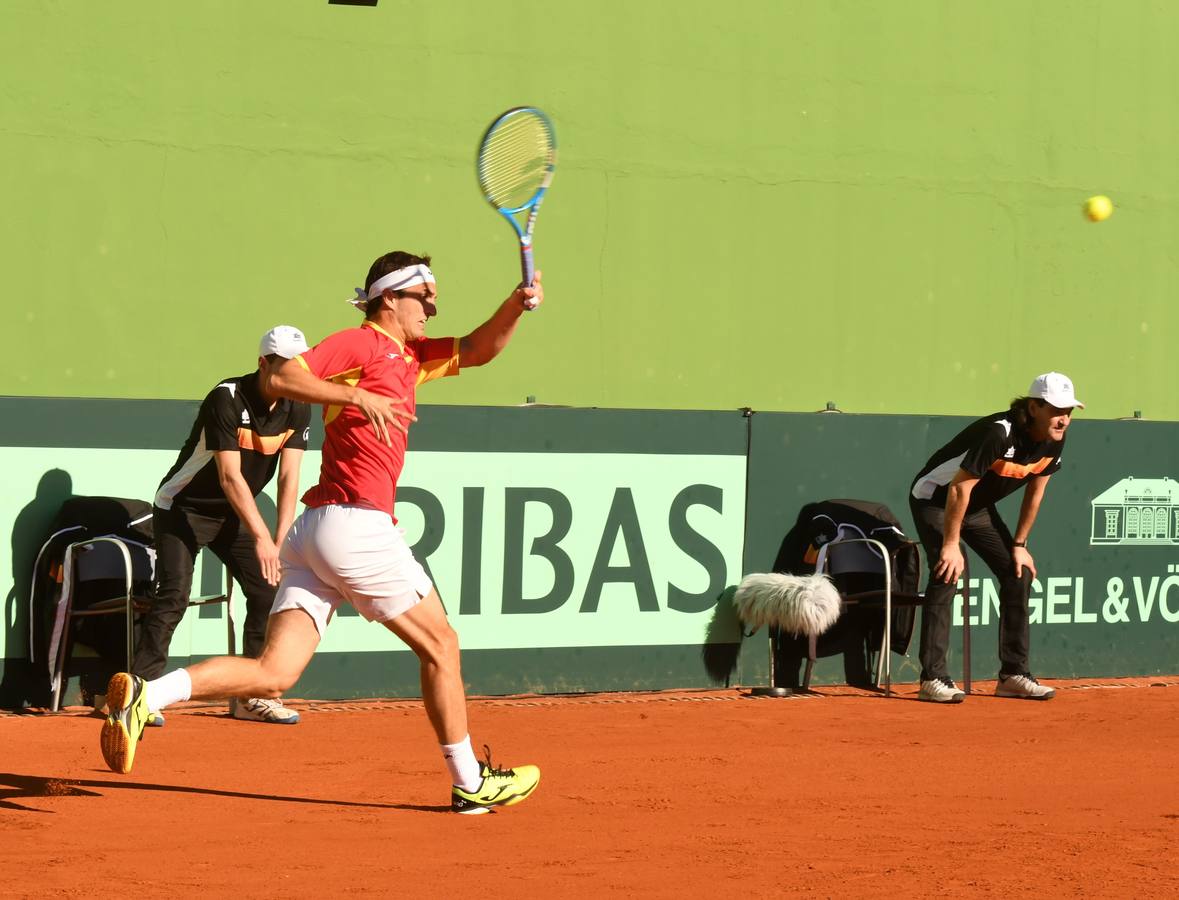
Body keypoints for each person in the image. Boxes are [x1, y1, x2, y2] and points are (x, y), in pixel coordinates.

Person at [101, 251, 541, 814]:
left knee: (272, 673)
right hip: (356, 525)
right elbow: (285, 373)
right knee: (442, 645)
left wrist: (516, 304)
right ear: (390, 298)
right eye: (424, 295)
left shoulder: (412, 356)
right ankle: (469, 781)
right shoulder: (361, 344)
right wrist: (356, 395)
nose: (434, 305)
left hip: (314, 534)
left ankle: (146, 693)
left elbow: (479, 350)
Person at [132, 326, 312, 725]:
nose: (295, 376)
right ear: (263, 364)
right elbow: (230, 477)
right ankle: (136, 694)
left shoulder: (299, 404)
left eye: (300, 367)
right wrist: (263, 537)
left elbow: (289, 478)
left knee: (267, 590)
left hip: (233, 513)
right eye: (285, 367)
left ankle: (250, 696)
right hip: (182, 507)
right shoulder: (226, 398)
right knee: (174, 595)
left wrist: (280, 537)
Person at [908, 372, 1083, 703]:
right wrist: (950, 544)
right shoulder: (999, 433)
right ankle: (933, 678)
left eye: (1069, 411)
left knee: (1019, 573)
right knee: (948, 569)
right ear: (1033, 407)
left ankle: (1013, 675)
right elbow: (959, 487)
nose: (1064, 419)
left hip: (977, 507)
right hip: (936, 499)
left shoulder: (1055, 438)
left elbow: (1037, 489)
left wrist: (1019, 545)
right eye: (1057, 410)